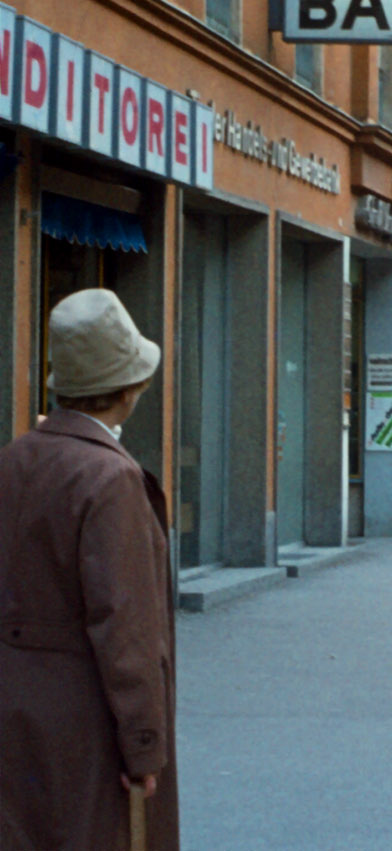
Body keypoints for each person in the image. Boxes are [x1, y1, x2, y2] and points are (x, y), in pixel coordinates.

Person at [0, 289, 178, 851]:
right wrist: (143, 746)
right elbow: (125, 628)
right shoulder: (110, 479)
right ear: (129, 388)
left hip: (14, 708)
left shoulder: (14, 459)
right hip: (84, 719)